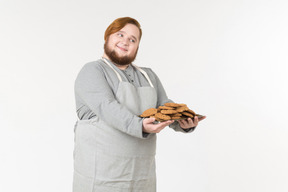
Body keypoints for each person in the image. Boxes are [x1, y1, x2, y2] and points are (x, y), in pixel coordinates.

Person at [73, 17, 206, 192]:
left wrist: (183, 122)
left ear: (137, 47)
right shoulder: (92, 71)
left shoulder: (148, 76)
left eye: (132, 39)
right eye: (120, 34)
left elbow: (164, 106)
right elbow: (107, 107)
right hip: (101, 178)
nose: (125, 41)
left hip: (141, 178)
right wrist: (140, 126)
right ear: (107, 37)